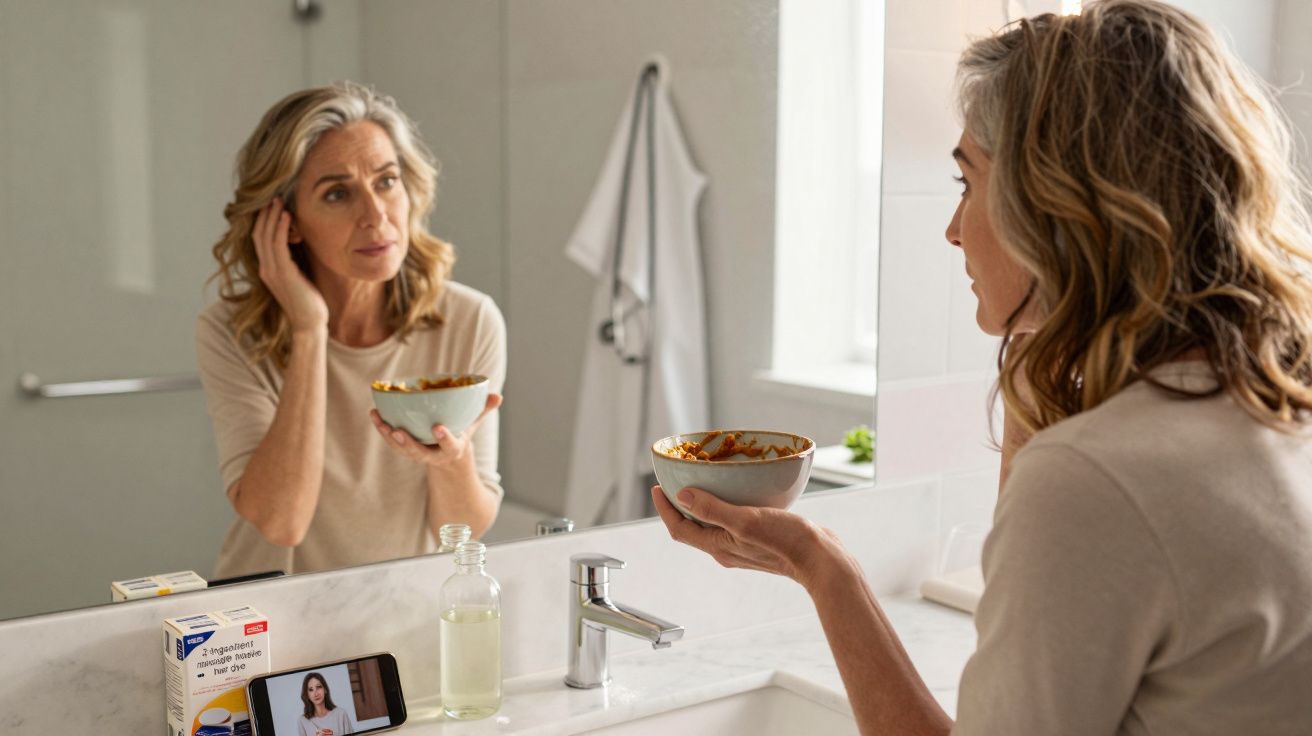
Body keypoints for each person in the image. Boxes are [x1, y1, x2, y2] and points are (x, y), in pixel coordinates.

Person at [654, 1, 1312, 733]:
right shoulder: (1266, 409)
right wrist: (1040, 357)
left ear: (1054, 204)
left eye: (967, 182)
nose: (952, 228)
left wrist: (823, 569)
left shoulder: (1096, 482)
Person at [199, 82, 506, 578]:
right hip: (266, 625)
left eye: (386, 181)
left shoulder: (470, 321)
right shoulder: (231, 333)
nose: (376, 215)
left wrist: (451, 459)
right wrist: (309, 330)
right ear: (287, 223)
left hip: (401, 613)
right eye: (338, 193)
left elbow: (462, 531)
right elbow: (282, 523)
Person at [297, 672, 356, 736]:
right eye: (311, 690)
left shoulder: (341, 714)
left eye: (318, 687)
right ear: (307, 695)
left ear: (325, 689)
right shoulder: (303, 721)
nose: (316, 693)